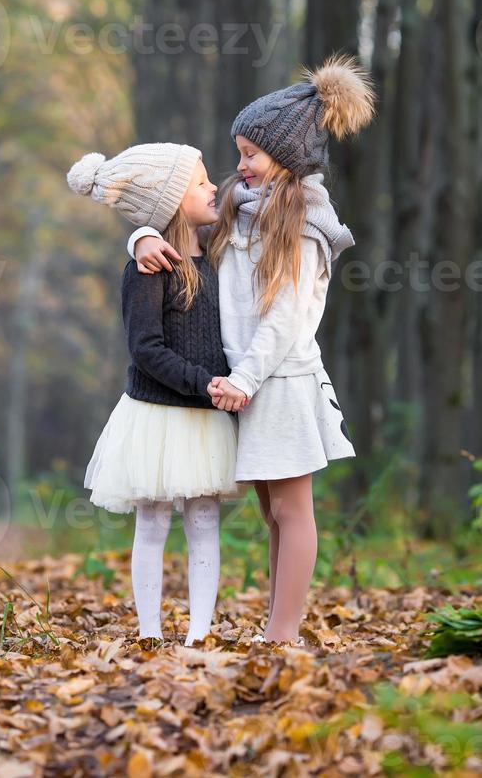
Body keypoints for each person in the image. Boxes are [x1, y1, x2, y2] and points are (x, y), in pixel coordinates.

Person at [127, 53, 376, 646]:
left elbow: (286, 318)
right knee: (271, 514)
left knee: (293, 511)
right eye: (238, 153)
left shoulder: (307, 223)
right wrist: (140, 236)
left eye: (250, 155)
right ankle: (276, 625)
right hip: (246, 383)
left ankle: (283, 633)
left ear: (287, 157)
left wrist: (245, 379)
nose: (240, 166)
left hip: (280, 381)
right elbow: (179, 224)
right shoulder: (242, 208)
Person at [67, 142, 245, 647]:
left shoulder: (217, 254)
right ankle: (149, 632)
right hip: (158, 413)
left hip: (205, 414)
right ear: (169, 200)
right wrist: (142, 238)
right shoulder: (148, 269)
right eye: (201, 181)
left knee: (205, 521)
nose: (214, 187)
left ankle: (198, 634)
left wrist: (140, 233)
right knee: (152, 520)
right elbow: (145, 348)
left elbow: (255, 207)